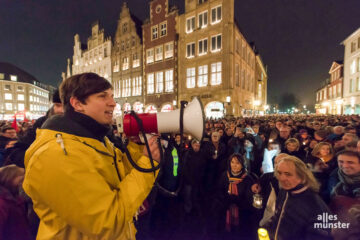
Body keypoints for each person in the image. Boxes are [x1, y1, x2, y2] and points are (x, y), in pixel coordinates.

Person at [22, 73, 160, 239]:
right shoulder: (58, 154)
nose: (113, 103)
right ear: (77, 103)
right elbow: (107, 222)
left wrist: (137, 148)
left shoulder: (93, 140)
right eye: (102, 96)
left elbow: (120, 182)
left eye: (112, 96)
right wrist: (147, 166)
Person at [264, 156, 332, 240]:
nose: (281, 178)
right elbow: (279, 215)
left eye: (288, 174)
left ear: (302, 176)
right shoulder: (285, 191)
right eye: (279, 173)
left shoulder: (316, 206)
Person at [0, 164, 32, 240]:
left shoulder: (17, 199)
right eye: (21, 176)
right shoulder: (3, 203)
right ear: (10, 178)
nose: (24, 179)